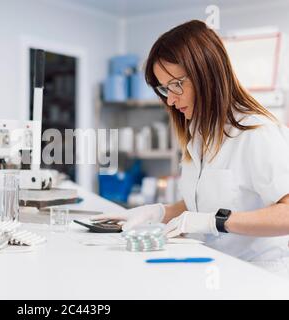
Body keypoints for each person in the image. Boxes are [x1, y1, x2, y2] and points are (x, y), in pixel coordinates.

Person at [93, 20, 289, 277]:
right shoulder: (198, 133)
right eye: (164, 89)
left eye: (176, 85)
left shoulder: (256, 131)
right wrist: (157, 212)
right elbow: (201, 203)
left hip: (257, 275)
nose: (171, 100)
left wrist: (215, 221)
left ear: (206, 74)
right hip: (214, 269)